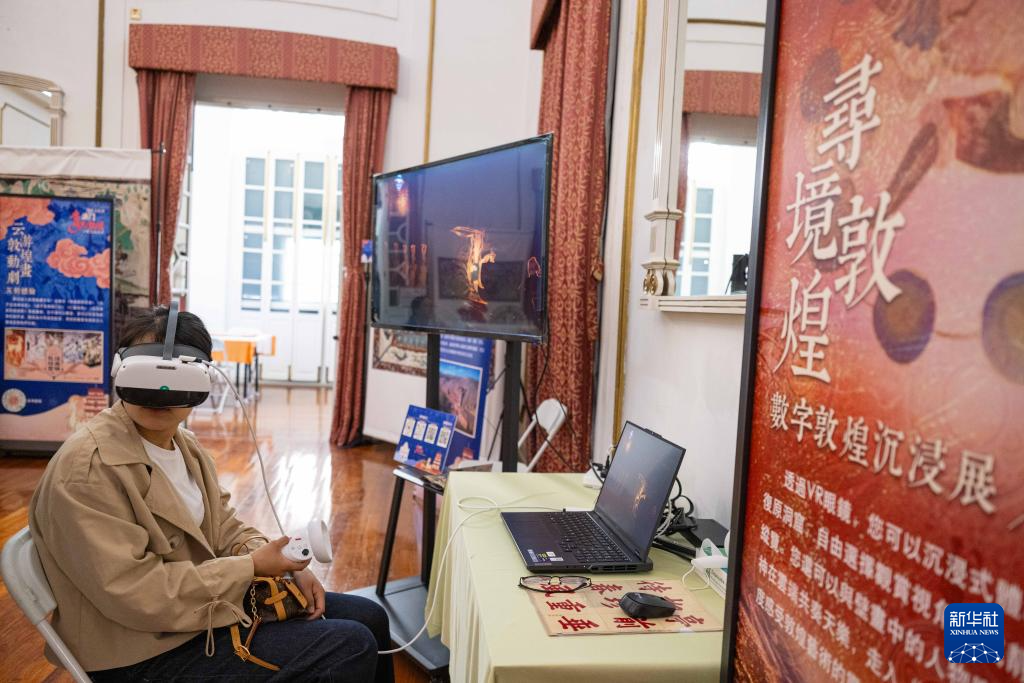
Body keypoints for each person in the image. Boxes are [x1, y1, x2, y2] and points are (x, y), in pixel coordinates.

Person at [29, 306, 394, 682]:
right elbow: (136, 593)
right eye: (148, 375)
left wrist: (283, 564)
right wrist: (251, 567)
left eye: (177, 378)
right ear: (120, 371)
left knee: (369, 616)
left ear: (203, 378)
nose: (160, 393)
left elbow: (224, 527)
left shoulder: (184, 445)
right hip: (138, 650)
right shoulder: (89, 468)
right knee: (350, 645)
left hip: (191, 615)